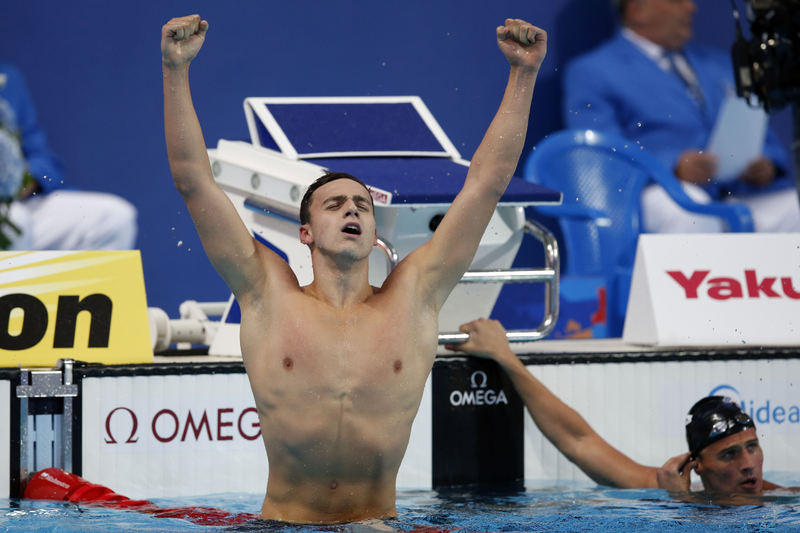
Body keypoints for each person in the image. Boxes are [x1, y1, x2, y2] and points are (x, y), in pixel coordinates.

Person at [161, 14, 547, 524]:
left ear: (373, 229)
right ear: (305, 233)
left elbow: (486, 184)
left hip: (379, 525)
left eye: (362, 205)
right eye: (335, 204)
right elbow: (193, 180)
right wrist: (174, 69)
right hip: (283, 525)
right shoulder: (266, 294)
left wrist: (524, 75)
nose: (352, 210)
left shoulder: (414, 296)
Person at [447, 318, 798, 499]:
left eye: (752, 447)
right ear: (697, 465)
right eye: (730, 454)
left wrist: (682, 507)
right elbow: (579, 442)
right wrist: (506, 357)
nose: (748, 464)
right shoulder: (668, 489)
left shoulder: (784, 500)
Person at [562, 0, 800, 234]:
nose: (691, 7)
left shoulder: (721, 63)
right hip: (654, 192)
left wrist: (768, 165)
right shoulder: (592, 71)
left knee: (793, 208)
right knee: (692, 211)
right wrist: (672, 166)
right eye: (677, 0)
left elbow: (763, 135)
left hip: (735, 191)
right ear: (637, 10)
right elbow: (599, 155)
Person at [0, 62, 137, 250]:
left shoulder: (8, 77)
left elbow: (43, 160)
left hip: (19, 203)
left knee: (113, 218)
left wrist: (23, 180)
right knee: (16, 222)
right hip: (13, 219)